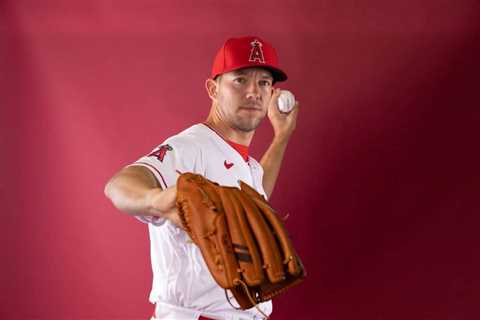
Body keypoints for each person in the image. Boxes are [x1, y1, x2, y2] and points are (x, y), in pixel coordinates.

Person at [104, 35, 299, 320]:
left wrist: (282, 136)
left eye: (263, 82)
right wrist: (157, 200)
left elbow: (257, 194)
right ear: (213, 88)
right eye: (240, 80)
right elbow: (119, 184)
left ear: (272, 95)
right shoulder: (190, 147)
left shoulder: (248, 165)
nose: (253, 92)